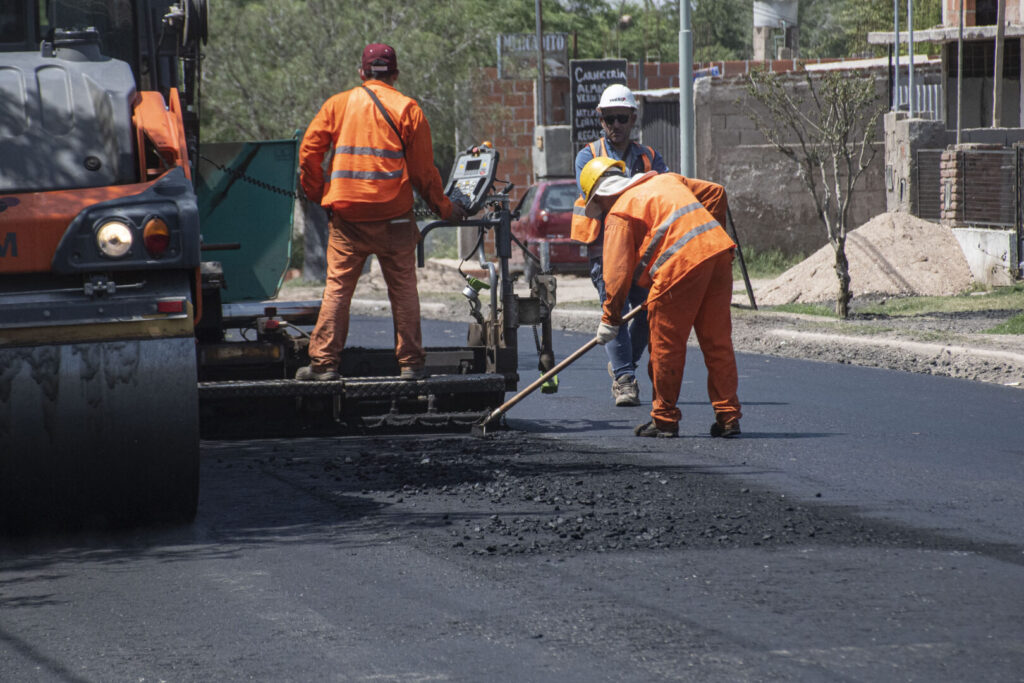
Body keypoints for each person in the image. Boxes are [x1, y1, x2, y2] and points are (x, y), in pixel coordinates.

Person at [295, 43, 466, 382]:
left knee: (338, 289)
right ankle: (411, 364)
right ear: (395, 74)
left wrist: (318, 193)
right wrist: (446, 210)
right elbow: (424, 173)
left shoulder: (337, 105)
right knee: (403, 290)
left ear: (362, 73)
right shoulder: (408, 109)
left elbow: (308, 153)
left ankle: (324, 364)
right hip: (395, 218)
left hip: (347, 218)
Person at [572, 83, 728, 408]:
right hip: (607, 245)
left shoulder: (649, 156)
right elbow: (604, 201)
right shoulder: (588, 156)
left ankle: (624, 362)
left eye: (622, 118)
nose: (616, 125)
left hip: (644, 252)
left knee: (647, 311)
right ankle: (625, 380)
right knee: (613, 309)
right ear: (601, 119)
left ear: (633, 118)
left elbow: (667, 191)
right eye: (610, 119)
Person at [580, 156, 742, 439]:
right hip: (717, 256)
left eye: (598, 205)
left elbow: (616, 275)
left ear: (601, 196)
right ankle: (728, 417)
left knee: (665, 347)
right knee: (718, 343)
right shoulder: (666, 179)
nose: (602, 211)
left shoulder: (619, 212)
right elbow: (716, 192)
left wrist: (610, 319)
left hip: (679, 269)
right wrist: (709, 239)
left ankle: (665, 419)